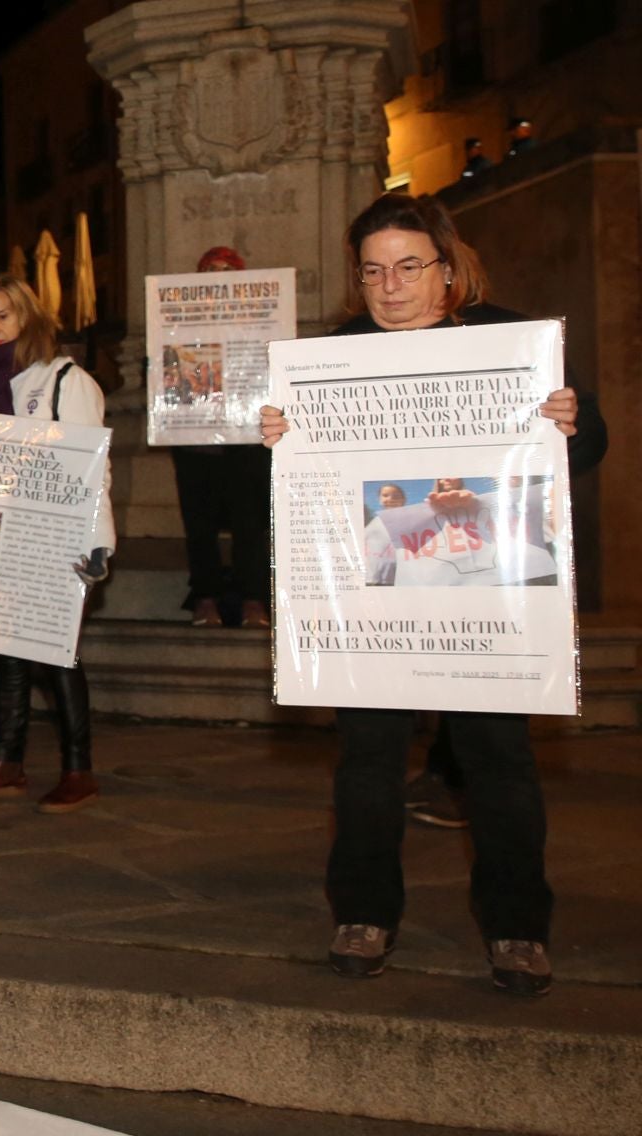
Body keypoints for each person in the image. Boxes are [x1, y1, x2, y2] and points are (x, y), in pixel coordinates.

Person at [259, 191, 606, 996]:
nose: (391, 286)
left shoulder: (510, 343)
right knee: (368, 763)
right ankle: (364, 911)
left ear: (445, 271)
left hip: (488, 597)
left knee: (498, 762)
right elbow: (300, 485)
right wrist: (276, 440)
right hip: (378, 597)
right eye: (374, 271)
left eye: (409, 267)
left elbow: (590, 450)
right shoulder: (332, 357)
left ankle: (518, 927)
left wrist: (569, 422)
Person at [0, 273, 115, 813]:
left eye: (3, 316)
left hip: (49, 534)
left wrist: (98, 543)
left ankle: (78, 769)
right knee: (7, 651)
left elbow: (91, 468)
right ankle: (5, 763)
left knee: (57, 651)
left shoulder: (64, 380)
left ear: (28, 316)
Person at [169, 246, 271, 629]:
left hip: (244, 441)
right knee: (199, 523)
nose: (217, 276)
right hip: (195, 441)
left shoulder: (259, 326)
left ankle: (254, 599)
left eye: (226, 271)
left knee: (250, 521)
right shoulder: (178, 329)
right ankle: (205, 597)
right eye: (209, 270)